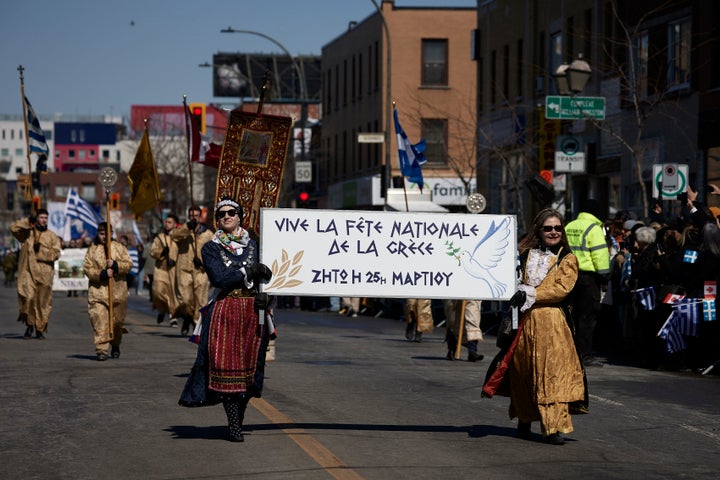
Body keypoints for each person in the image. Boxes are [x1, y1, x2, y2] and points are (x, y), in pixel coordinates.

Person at [482, 208, 585, 445]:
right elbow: (508, 277)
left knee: (552, 374)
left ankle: (553, 427)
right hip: (525, 322)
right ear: (539, 229)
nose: (553, 232)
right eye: (548, 228)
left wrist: (529, 293)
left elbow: (561, 289)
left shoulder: (567, 257)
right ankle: (524, 417)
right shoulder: (525, 254)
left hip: (552, 323)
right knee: (523, 371)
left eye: (558, 228)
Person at [179, 197, 273, 443]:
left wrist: (267, 297)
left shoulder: (257, 244)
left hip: (255, 310)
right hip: (227, 310)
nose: (227, 217)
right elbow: (219, 277)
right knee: (228, 369)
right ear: (218, 220)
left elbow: (273, 274)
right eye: (221, 215)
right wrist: (246, 272)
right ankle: (233, 424)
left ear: (240, 215)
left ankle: (237, 420)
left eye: (232, 212)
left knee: (251, 369)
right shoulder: (211, 247)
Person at [564, 199, 611, 367]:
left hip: (568, 276)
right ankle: (584, 354)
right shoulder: (594, 228)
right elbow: (599, 254)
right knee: (587, 317)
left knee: (571, 316)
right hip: (587, 279)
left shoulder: (569, 226)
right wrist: (605, 276)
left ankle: (568, 352)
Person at [83, 223, 133, 361]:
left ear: (111, 233)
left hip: (118, 293)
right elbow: (87, 268)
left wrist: (116, 266)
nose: (104, 236)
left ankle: (115, 344)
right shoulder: (92, 250)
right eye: (101, 233)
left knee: (116, 324)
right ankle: (102, 350)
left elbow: (129, 264)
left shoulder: (119, 248)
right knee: (100, 321)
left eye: (107, 233)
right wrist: (102, 274)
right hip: (98, 293)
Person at [10, 208, 62, 339]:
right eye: (41, 217)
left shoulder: (52, 236)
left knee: (42, 303)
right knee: (29, 298)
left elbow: (56, 253)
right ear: (37, 218)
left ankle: (39, 329)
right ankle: (29, 325)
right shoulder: (28, 234)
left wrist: (41, 252)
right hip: (28, 272)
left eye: (46, 218)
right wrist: (27, 221)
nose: (44, 220)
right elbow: (13, 228)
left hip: (45, 274)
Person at [171, 206, 214, 335]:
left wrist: (203, 262)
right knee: (185, 299)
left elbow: (213, 253)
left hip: (201, 270)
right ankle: (187, 317)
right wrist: (187, 228)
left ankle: (198, 326)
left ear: (200, 216)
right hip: (184, 269)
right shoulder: (184, 230)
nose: (194, 218)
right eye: (191, 215)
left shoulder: (208, 234)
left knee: (201, 300)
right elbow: (173, 236)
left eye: (196, 215)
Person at [150, 214, 180, 326]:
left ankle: (173, 316)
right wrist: (162, 253)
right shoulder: (160, 237)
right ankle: (162, 309)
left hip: (174, 269)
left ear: (175, 224)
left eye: (169, 222)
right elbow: (152, 251)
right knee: (158, 292)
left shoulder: (178, 237)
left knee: (172, 293)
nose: (167, 224)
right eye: (166, 222)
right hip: (160, 269)